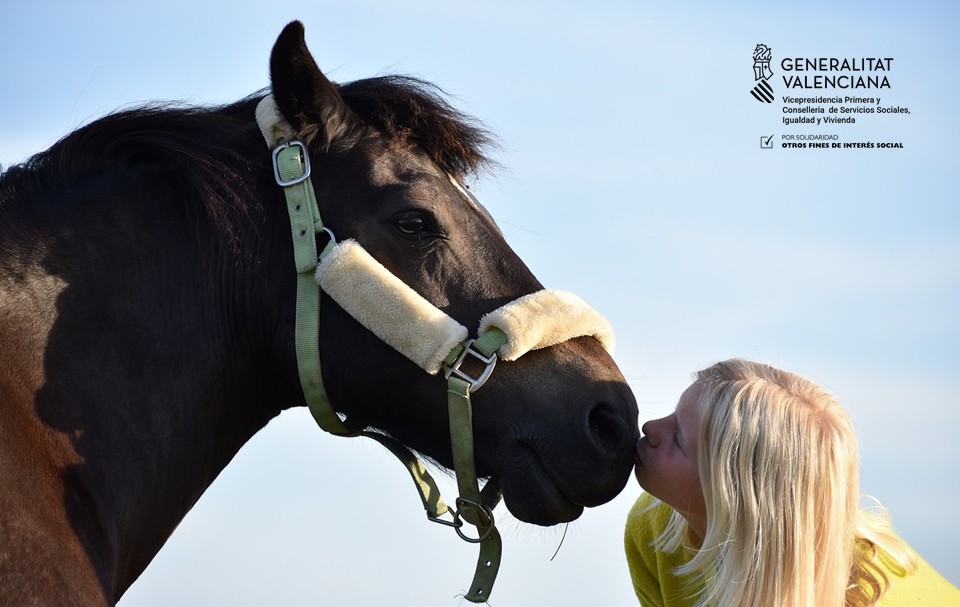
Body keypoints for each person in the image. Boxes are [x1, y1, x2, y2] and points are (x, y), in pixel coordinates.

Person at [625, 359, 960, 607]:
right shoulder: (653, 527)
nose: (649, 427)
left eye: (678, 439)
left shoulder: (866, 597)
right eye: (672, 414)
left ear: (737, 495)